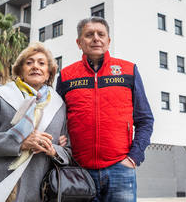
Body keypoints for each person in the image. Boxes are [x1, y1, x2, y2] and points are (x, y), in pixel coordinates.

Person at [56, 17, 154, 202]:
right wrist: (60, 140)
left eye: (101, 34)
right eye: (89, 35)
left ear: (108, 41)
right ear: (79, 42)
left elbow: (145, 119)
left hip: (120, 169)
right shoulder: (66, 76)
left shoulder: (128, 70)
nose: (95, 38)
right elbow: (57, 120)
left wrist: (134, 157)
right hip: (78, 170)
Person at [0, 42, 71, 202]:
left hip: (38, 191)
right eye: (29, 62)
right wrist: (21, 143)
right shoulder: (2, 95)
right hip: (0, 189)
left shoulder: (59, 105)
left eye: (41, 63)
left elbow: (67, 152)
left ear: (49, 73)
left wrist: (53, 150)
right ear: (20, 70)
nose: (35, 66)